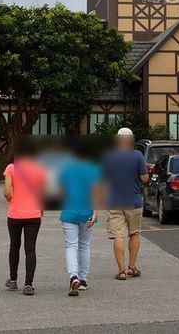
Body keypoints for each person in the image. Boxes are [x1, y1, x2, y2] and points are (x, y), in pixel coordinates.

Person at [101, 127, 148, 281]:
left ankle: (121, 271)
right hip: (134, 200)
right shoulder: (138, 155)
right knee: (134, 233)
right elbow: (144, 178)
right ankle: (132, 267)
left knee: (118, 236)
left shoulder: (109, 156)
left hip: (114, 200)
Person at [3, 138, 46, 296]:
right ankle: (28, 284)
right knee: (30, 249)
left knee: (14, 246)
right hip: (34, 214)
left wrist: (11, 200)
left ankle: (13, 280)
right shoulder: (40, 169)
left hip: (15, 214)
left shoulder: (11, 168)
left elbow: (8, 191)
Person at [59, 140, 101, 296]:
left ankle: (73, 276)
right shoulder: (94, 169)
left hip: (70, 210)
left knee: (71, 245)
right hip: (87, 212)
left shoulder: (66, 169)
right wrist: (96, 212)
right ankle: (83, 279)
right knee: (84, 245)